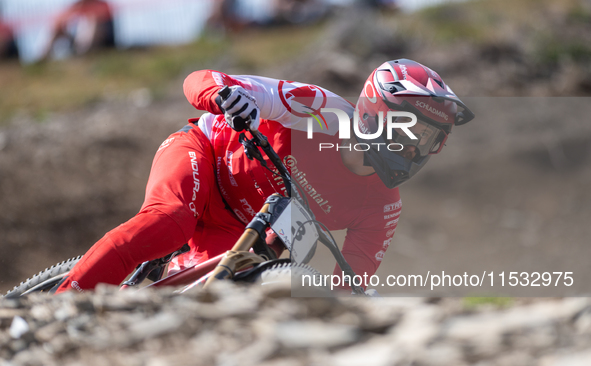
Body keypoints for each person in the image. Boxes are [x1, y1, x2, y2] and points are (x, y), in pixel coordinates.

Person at [54, 59, 474, 293]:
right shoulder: (322, 110)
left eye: (430, 139)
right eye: (413, 131)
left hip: (237, 227)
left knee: (225, 288)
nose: (419, 148)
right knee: (170, 219)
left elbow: (351, 286)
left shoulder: (383, 207)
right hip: (205, 155)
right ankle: (59, 304)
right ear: (377, 113)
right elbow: (198, 78)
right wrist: (222, 96)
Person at [40, 0, 114, 61]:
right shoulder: (78, 6)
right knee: (57, 28)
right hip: (79, 45)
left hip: (101, 46)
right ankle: (42, 58)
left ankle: (85, 54)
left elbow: (103, 34)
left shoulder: (101, 5)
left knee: (94, 20)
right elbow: (60, 21)